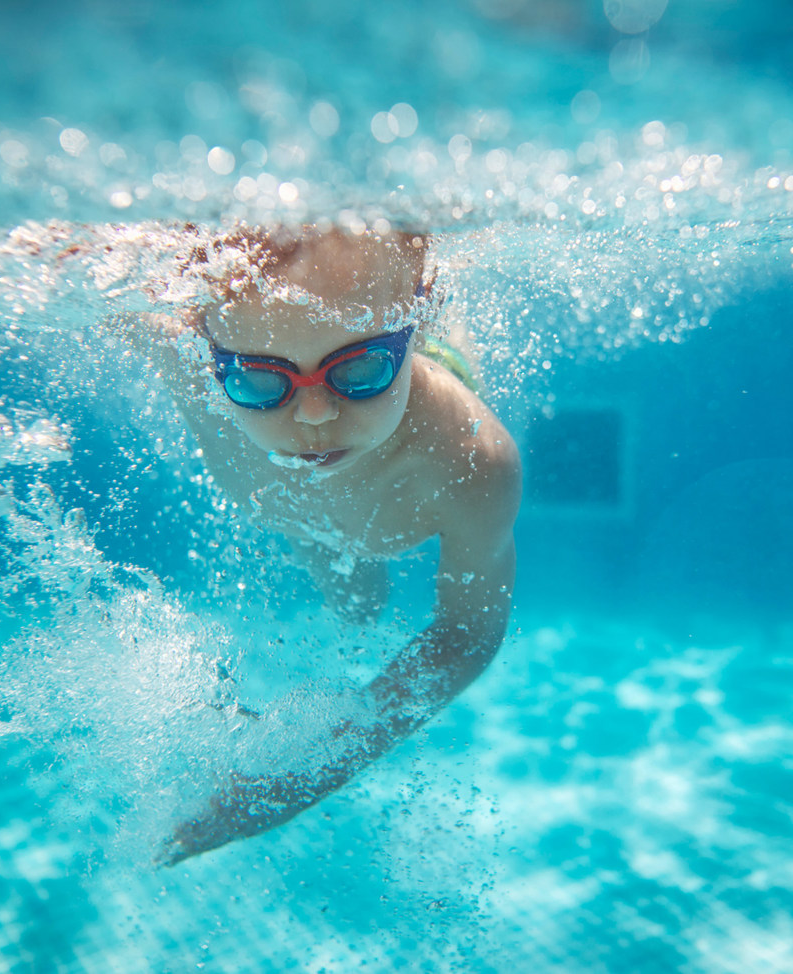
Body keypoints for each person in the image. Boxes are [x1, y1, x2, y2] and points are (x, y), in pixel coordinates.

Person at [119, 225, 520, 865]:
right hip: (305, 524)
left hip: (394, 478)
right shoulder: (184, 361)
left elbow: (466, 635)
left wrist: (302, 777)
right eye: (257, 380)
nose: (312, 419)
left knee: (358, 599)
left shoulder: (470, 461)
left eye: (361, 368)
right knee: (357, 608)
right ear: (207, 344)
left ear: (417, 315)